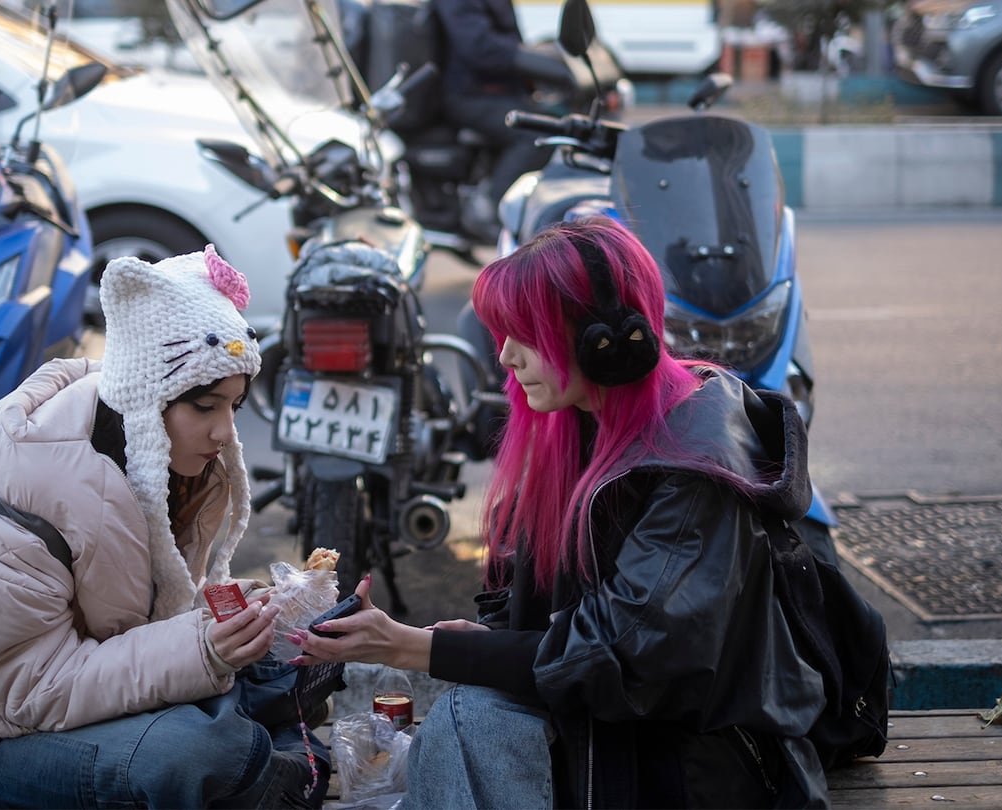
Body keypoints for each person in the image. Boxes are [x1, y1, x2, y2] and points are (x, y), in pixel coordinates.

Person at [289, 216, 830, 807]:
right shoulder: (582, 424)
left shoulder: (694, 468)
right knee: (469, 718)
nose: (505, 356)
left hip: (701, 765)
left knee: (472, 720)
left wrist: (411, 646)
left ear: (606, 339)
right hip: (618, 733)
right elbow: (529, 595)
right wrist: (491, 638)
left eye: (525, 335)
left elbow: (625, 656)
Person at [0, 245, 330, 808]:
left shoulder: (150, 449)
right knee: (202, 756)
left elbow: (143, 613)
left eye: (235, 406)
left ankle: (270, 762)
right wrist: (207, 648)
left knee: (301, 654)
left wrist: (241, 608)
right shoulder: (18, 484)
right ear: (149, 399)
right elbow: (33, 689)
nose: (226, 433)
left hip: (69, 692)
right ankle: (270, 764)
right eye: (206, 407)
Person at [432, 0, 571, 241]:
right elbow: (479, 48)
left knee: (552, 119)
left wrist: (540, 57)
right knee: (535, 134)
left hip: (498, 92)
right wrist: (531, 60)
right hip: (469, 95)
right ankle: (489, 208)